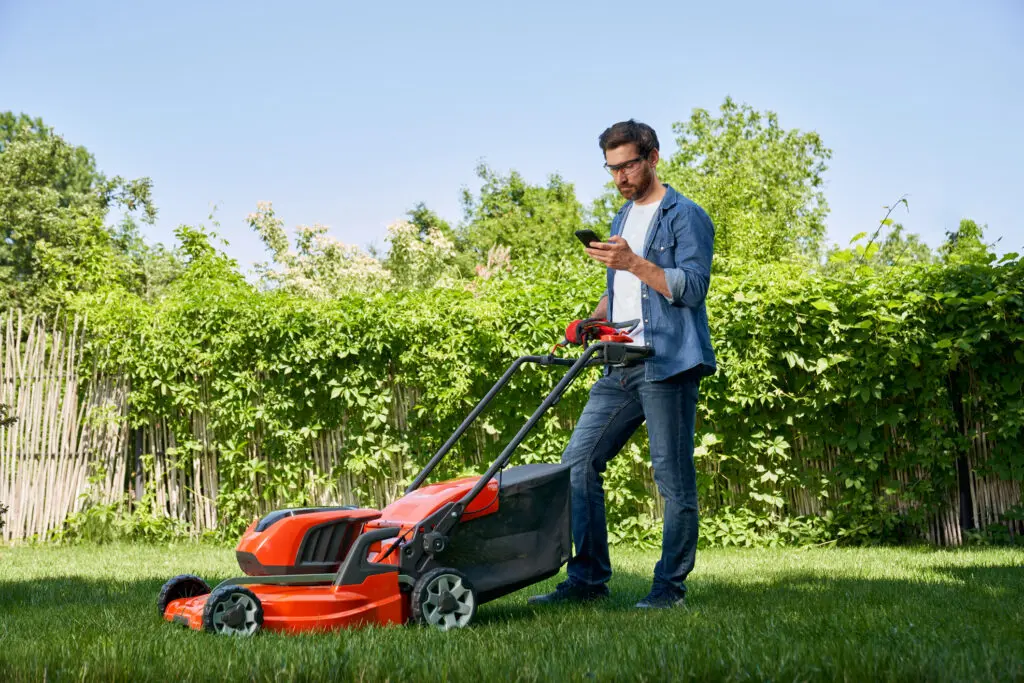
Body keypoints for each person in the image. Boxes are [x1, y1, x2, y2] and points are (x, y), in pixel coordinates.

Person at [528, 119, 716, 609]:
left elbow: (692, 288)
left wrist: (633, 262)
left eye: (628, 166)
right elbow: (624, 293)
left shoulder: (685, 216)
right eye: (611, 169)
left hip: (668, 363)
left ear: (652, 158)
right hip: (621, 365)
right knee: (577, 463)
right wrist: (592, 321)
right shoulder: (621, 218)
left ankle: (669, 588)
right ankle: (588, 581)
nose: (620, 178)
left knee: (672, 479)